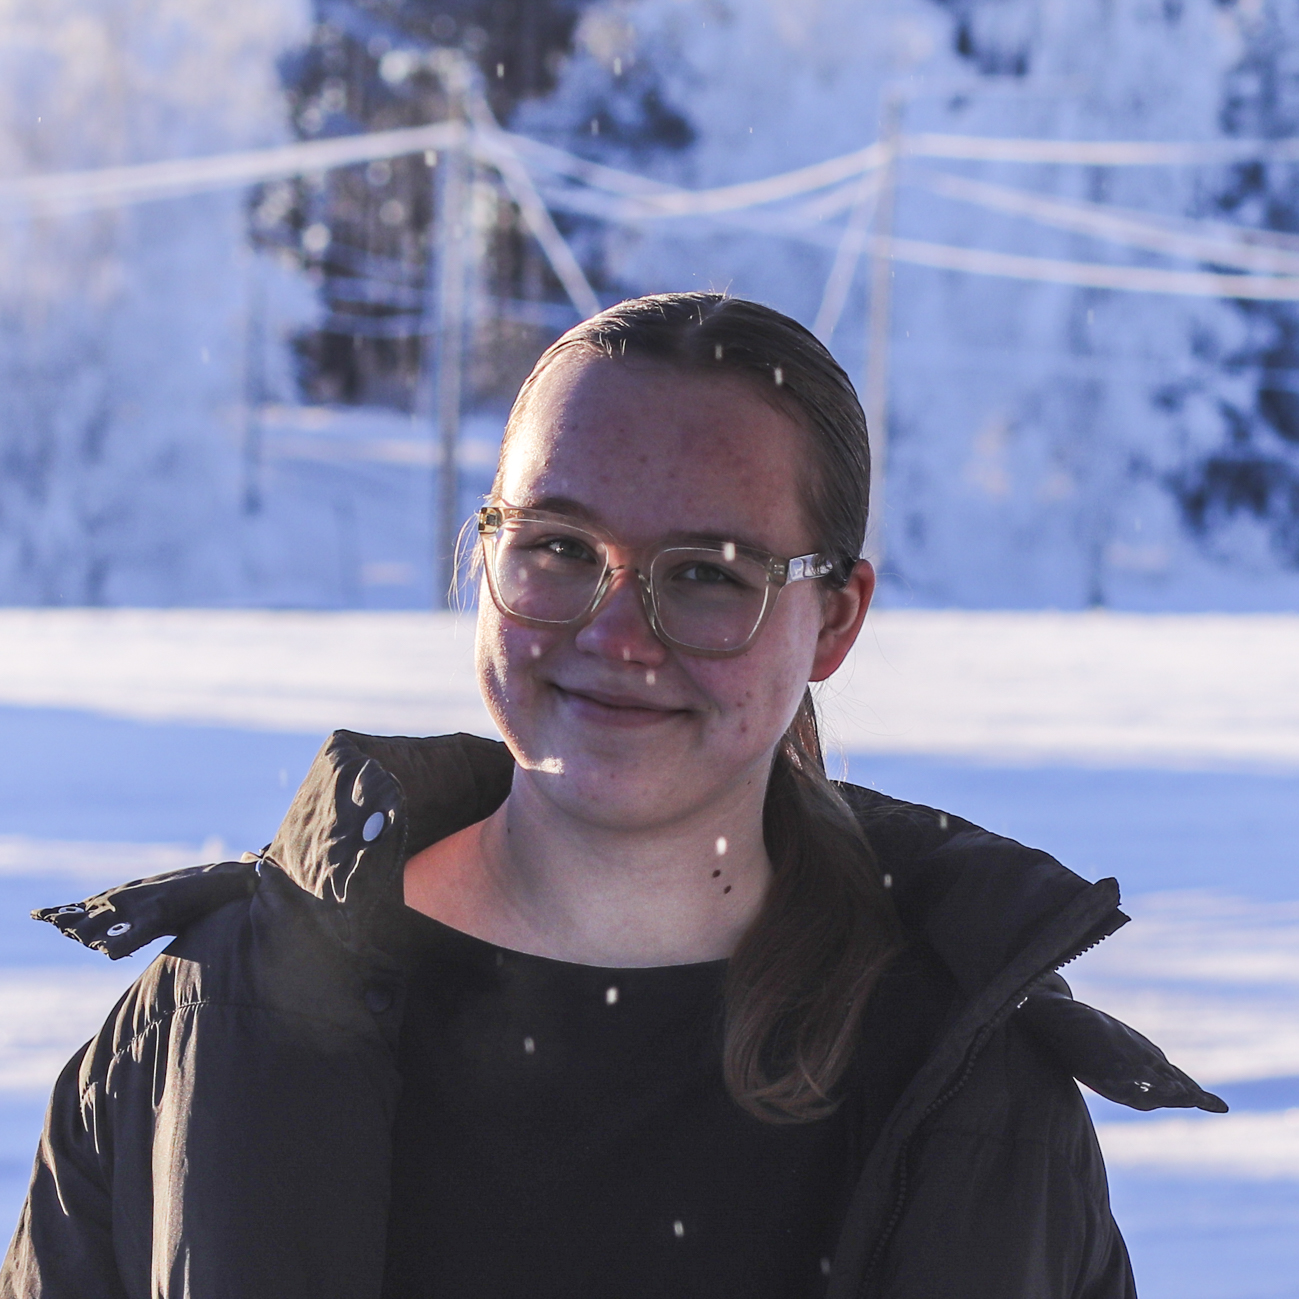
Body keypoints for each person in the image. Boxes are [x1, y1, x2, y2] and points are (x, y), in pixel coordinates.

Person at [2, 293, 1224, 1299]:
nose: (616, 636)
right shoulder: (208, 1033)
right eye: (557, 547)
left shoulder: (973, 1096)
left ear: (835, 619)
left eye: (710, 574)